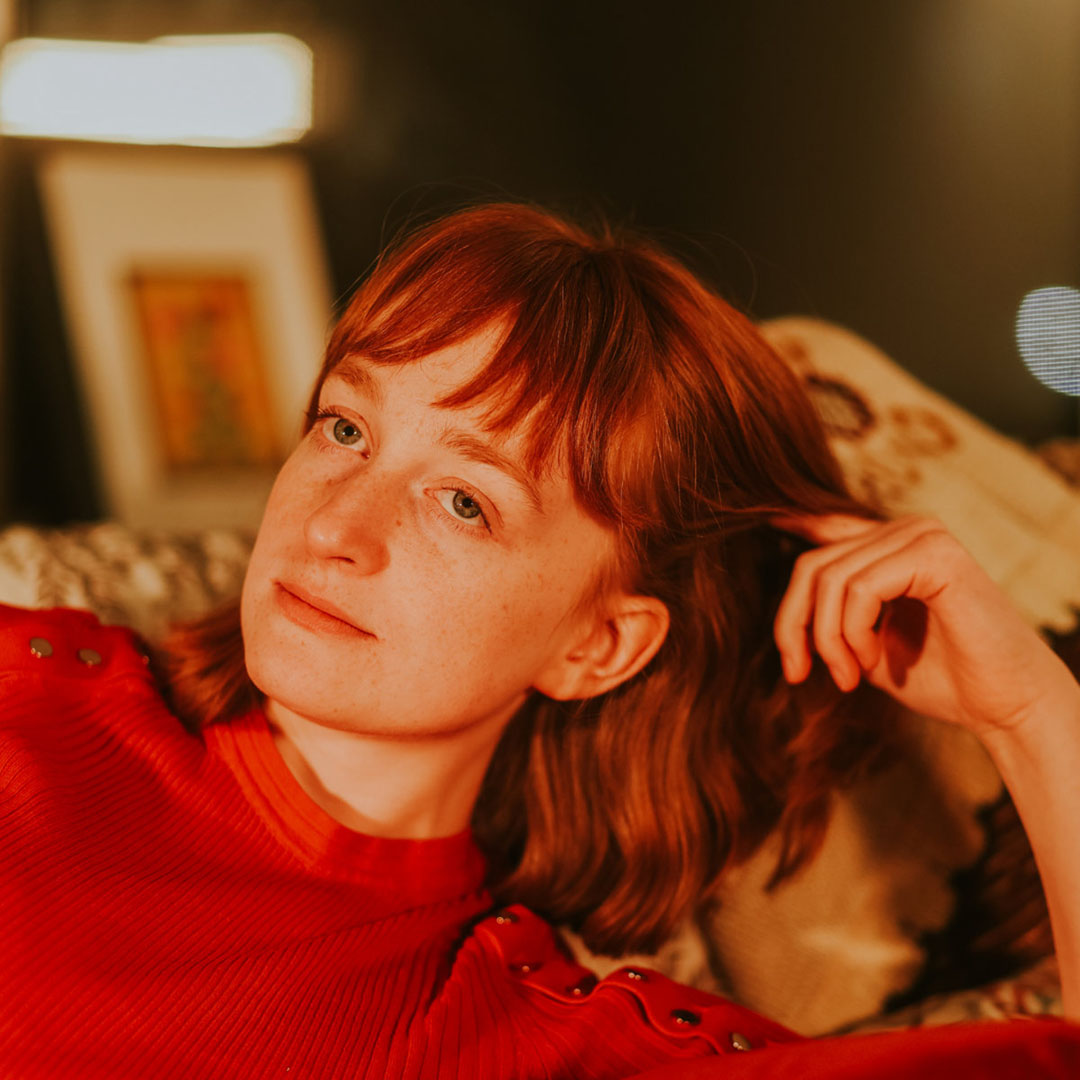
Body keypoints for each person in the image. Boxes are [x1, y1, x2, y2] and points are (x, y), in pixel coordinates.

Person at [2, 202, 1079, 1078]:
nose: (334, 528)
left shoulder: (534, 1042)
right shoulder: (30, 694)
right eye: (346, 428)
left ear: (599, 647)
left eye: (465, 501)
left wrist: (1031, 709)